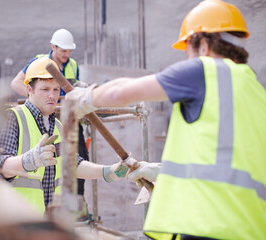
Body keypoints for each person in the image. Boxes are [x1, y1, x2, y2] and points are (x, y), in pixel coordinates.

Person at [65, 0, 266, 239]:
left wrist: (85, 98)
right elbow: (228, 160)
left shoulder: (204, 71)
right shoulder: (256, 92)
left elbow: (121, 92)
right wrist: (161, 172)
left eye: (187, 50)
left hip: (208, 224)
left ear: (202, 45)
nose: (187, 58)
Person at [0, 57, 132, 214]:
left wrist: (108, 171)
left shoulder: (59, 127)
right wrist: (28, 160)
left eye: (55, 90)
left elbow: (72, 164)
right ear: (29, 90)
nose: (52, 96)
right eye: (45, 89)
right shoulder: (14, 118)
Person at [11, 28, 90, 198]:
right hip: (44, 117)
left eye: (69, 51)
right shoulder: (39, 62)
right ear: (53, 47)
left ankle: (77, 201)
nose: (66, 54)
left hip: (66, 118)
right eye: (63, 50)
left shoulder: (73, 65)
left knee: (79, 156)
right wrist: (38, 97)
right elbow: (15, 83)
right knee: (46, 159)